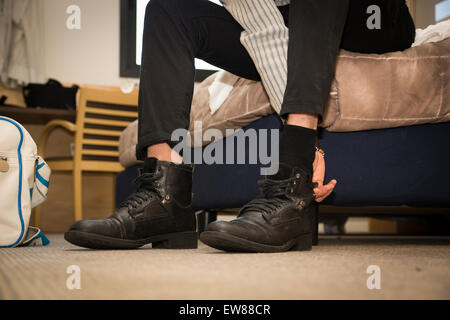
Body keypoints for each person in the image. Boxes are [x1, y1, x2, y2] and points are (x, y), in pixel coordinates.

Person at [64, 0, 415, 252]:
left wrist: (305, 149)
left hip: (373, 16)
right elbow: (268, 35)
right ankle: (165, 196)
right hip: (290, 18)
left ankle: (291, 193)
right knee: (167, 9)